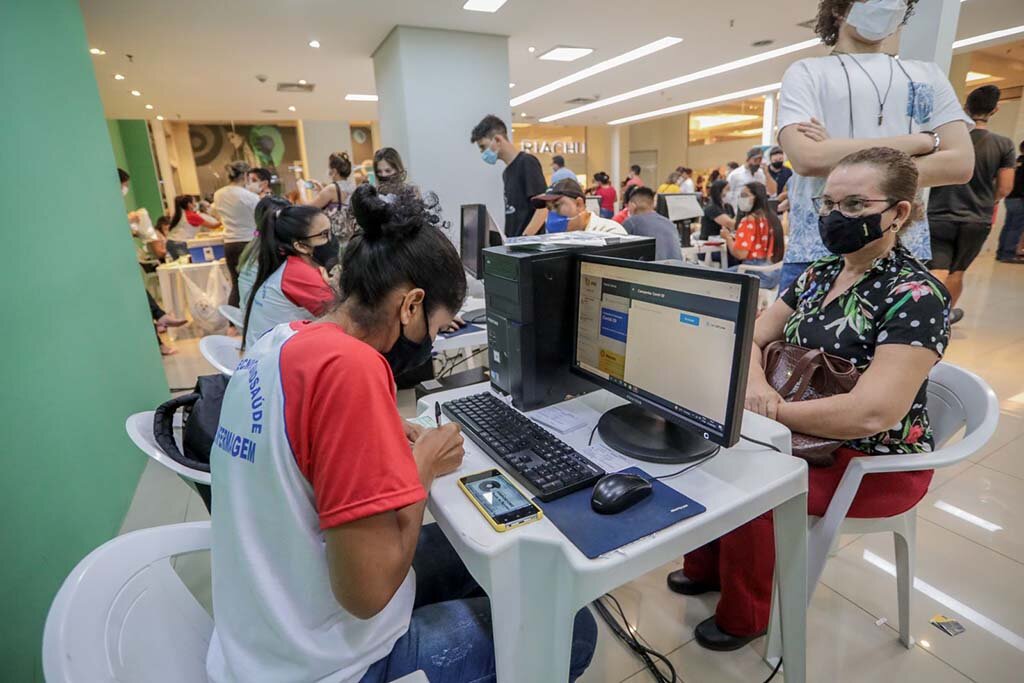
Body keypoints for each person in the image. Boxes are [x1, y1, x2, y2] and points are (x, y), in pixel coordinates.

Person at [207, 184, 597, 682]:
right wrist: (423, 467)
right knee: (572, 629)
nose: (431, 343)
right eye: (435, 329)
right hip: (327, 664)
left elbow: (299, 441)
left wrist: (377, 428)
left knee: (492, 562)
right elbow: (366, 596)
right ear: (411, 305)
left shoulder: (281, 343)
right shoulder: (352, 369)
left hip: (260, 636)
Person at [667, 147, 950, 651]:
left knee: (753, 488)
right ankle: (707, 566)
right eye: (828, 204)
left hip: (872, 459)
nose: (836, 218)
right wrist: (756, 389)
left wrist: (772, 414)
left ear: (899, 212)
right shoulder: (819, 273)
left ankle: (746, 614)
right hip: (798, 424)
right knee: (705, 450)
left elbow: (874, 412)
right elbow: (753, 336)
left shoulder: (916, 296)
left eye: (856, 206)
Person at [777, 0, 974, 293]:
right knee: (789, 338)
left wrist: (837, 155)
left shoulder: (926, 76)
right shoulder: (807, 73)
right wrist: (919, 142)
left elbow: (960, 164)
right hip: (818, 250)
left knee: (899, 337)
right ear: (839, 8)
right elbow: (807, 158)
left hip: (903, 247)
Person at [927, 85, 1016, 325]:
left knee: (936, 268)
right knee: (957, 271)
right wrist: (987, 200)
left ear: (965, 107)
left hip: (938, 213)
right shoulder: (1003, 145)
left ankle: (924, 314)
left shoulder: (947, 141)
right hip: (977, 218)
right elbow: (1005, 187)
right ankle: (942, 319)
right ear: (995, 109)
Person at [241, 198, 337, 349]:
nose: (331, 240)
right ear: (300, 246)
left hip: (267, 353)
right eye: (324, 235)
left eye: (332, 232)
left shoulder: (290, 264)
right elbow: (341, 316)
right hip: (276, 363)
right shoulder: (299, 273)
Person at [471, 114, 549, 237]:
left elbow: (543, 208)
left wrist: (525, 238)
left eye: (483, 147)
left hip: (528, 246)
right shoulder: (506, 173)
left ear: (497, 140)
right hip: (513, 243)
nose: (482, 152)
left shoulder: (527, 162)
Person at [213, 161, 261, 307]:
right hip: (249, 243)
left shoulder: (218, 194)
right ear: (246, 175)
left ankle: (232, 325)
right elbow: (259, 220)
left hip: (229, 243)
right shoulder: (251, 197)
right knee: (255, 283)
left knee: (236, 283)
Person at [720, 182, 785, 288]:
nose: (741, 199)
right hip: (774, 274)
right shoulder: (773, 218)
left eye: (745, 195)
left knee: (715, 279)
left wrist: (727, 238)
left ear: (757, 197)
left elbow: (740, 254)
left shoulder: (749, 220)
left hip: (754, 274)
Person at [532, 178, 627, 235]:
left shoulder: (610, 232)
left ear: (579, 204)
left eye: (557, 206)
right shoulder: (554, 239)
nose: (552, 214)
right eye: (549, 209)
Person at [623, 186, 682, 260]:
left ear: (632, 205)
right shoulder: (669, 223)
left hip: (651, 270)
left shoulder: (631, 222)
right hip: (676, 270)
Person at [997, 139, 1024, 263]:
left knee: (1008, 226)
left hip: (1010, 198)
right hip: (1020, 199)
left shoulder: (1016, 162)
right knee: (1015, 227)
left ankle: (1001, 252)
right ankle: (1008, 254)